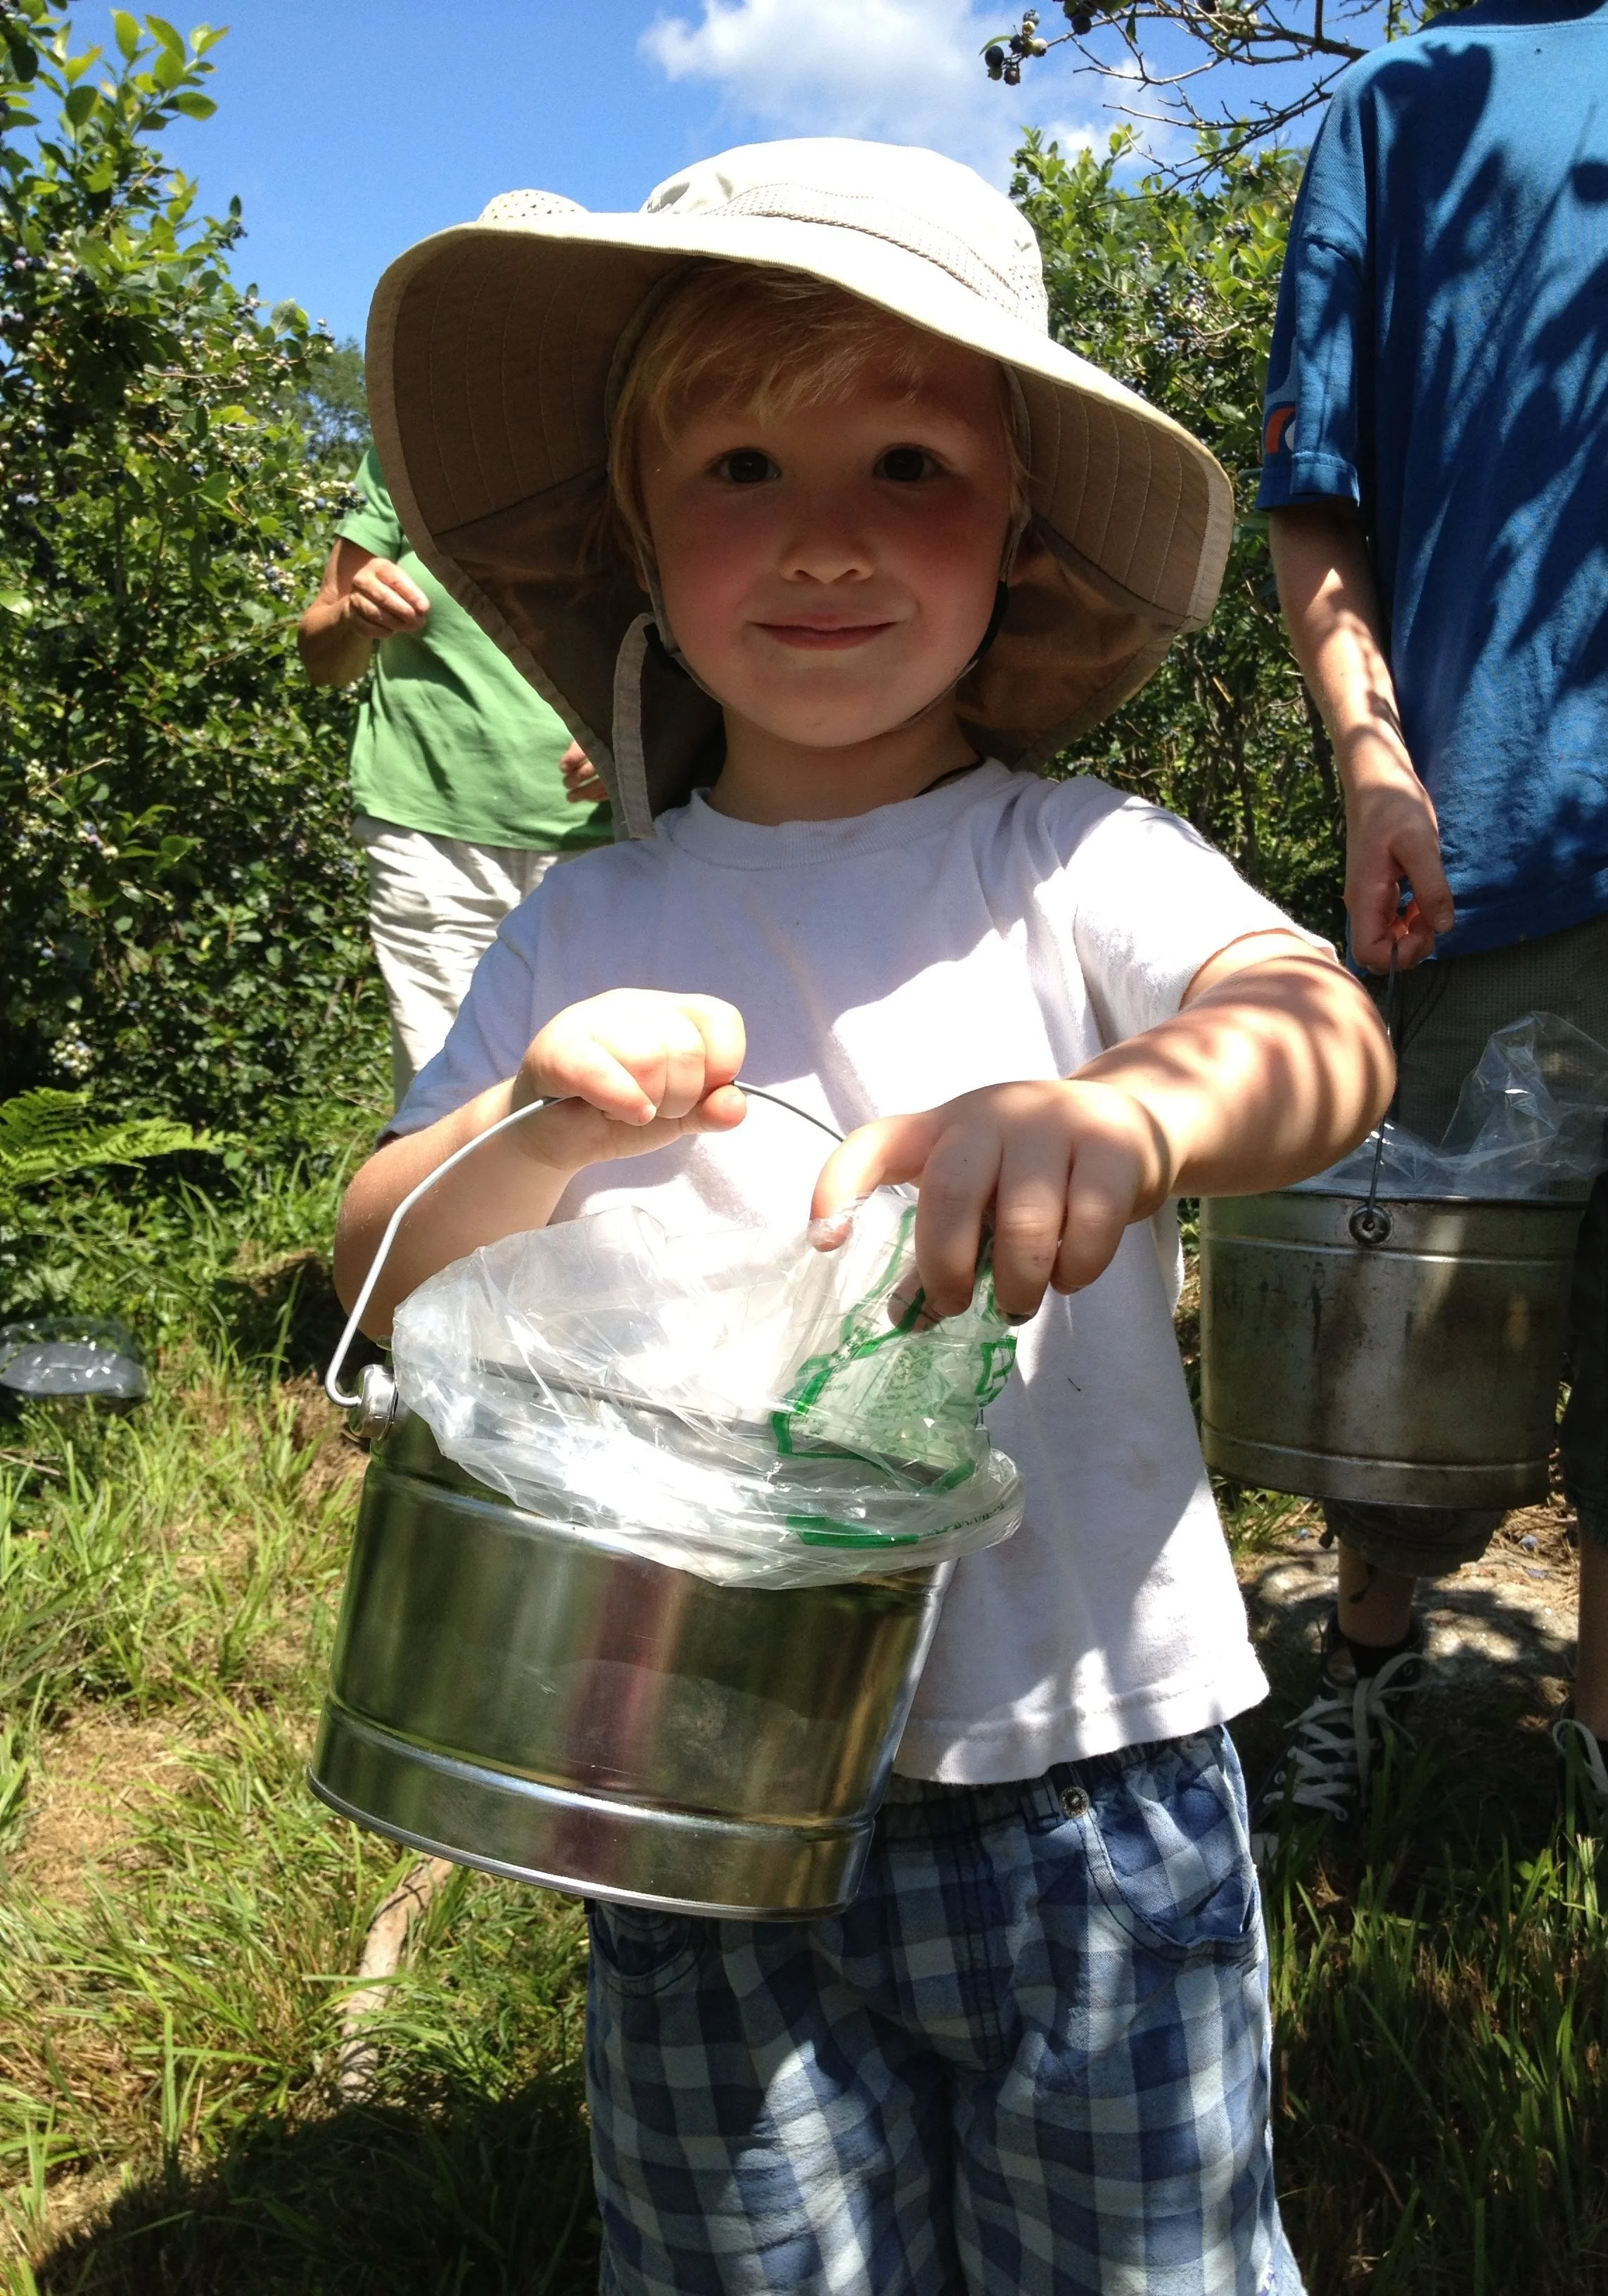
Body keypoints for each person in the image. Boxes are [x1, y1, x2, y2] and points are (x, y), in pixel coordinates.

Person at [334, 141, 1393, 2295]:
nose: (821, 533)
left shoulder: (1074, 861)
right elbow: (378, 1249)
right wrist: (537, 1129)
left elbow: (1321, 1030)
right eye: (738, 465)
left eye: (907, 463)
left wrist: (1134, 1108)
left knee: (1139, 2263)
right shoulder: (581, 918)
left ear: (1017, 543)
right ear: (643, 537)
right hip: (678, 1766)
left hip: (1082, 1763)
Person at [1253, 0, 1608, 1973]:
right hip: (1494, 832)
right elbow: (1320, 496)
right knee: (1410, 1326)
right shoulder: (1401, 103)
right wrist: (1374, 758)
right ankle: (1363, 1670)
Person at [298, 442, 612, 1104]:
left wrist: (647, 739)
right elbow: (323, 654)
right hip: (431, 838)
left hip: (612, 841)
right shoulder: (408, 453)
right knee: (449, 1097)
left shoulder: (633, 438)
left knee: (605, 1096)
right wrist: (357, 615)